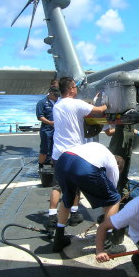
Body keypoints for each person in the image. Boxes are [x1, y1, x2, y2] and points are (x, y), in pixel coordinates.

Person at [44, 77, 108, 232]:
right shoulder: (77, 104)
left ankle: (53, 216)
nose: (76, 89)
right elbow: (99, 111)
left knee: (57, 186)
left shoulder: (57, 105)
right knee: (76, 185)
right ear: (72, 88)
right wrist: (108, 102)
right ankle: (74, 214)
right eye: (75, 87)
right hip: (74, 153)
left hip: (58, 153)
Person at [52, 142, 125, 253]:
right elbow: (110, 197)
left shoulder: (100, 149)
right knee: (114, 200)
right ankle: (107, 244)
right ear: (119, 167)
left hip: (63, 161)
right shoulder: (114, 166)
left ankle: (58, 239)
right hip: (84, 166)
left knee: (67, 197)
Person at [36, 86, 60, 169]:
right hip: (46, 130)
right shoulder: (42, 103)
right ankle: (40, 165)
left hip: (57, 130)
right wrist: (50, 123)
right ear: (50, 93)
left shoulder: (58, 102)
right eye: (55, 95)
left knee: (55, 149)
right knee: (44, 149)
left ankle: (53, 165)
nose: (57, 97)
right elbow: (40, 116)